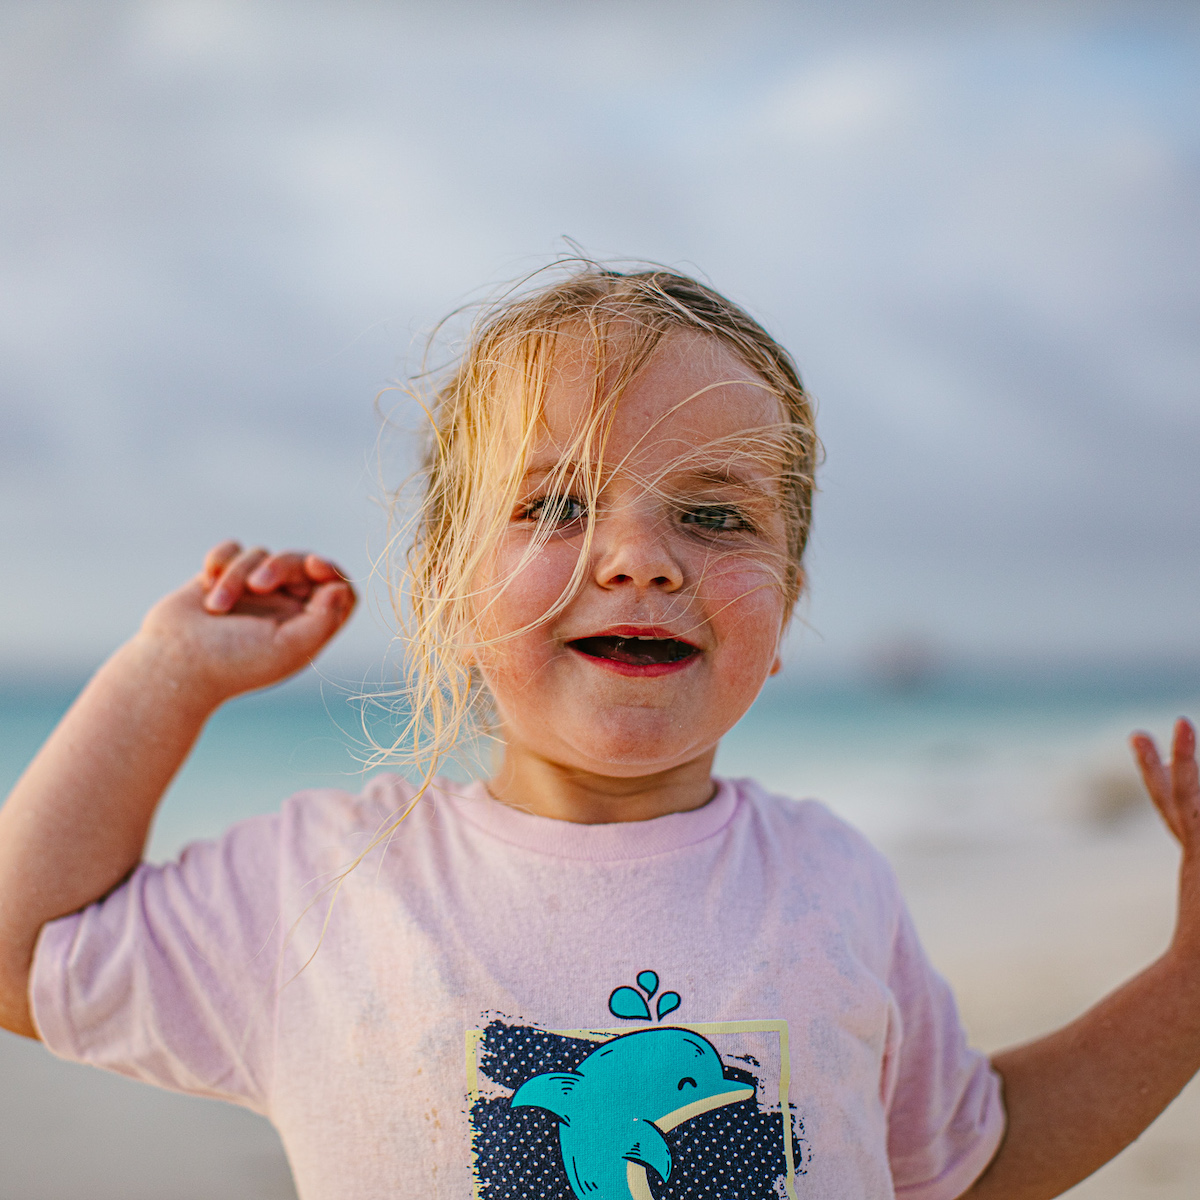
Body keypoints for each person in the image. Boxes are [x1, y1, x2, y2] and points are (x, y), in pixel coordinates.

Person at [0, 267, 1197, 1200]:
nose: (639, 558)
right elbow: (23, 958)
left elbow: (968, 1164)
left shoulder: (833, 881)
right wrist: (165, 680)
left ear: (783, 613)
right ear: (445, 597)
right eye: (557, 505)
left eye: (714, 514)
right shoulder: (326, 884)